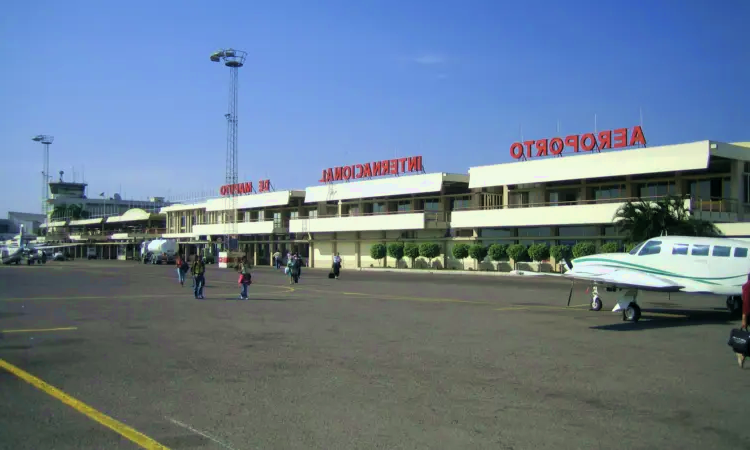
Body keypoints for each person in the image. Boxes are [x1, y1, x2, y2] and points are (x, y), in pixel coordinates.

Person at [738, 275, 750, 368]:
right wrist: (744, 318)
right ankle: (742, 354)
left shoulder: (745, 286)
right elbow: (746, 303)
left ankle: (742, 354)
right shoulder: (747, 287)